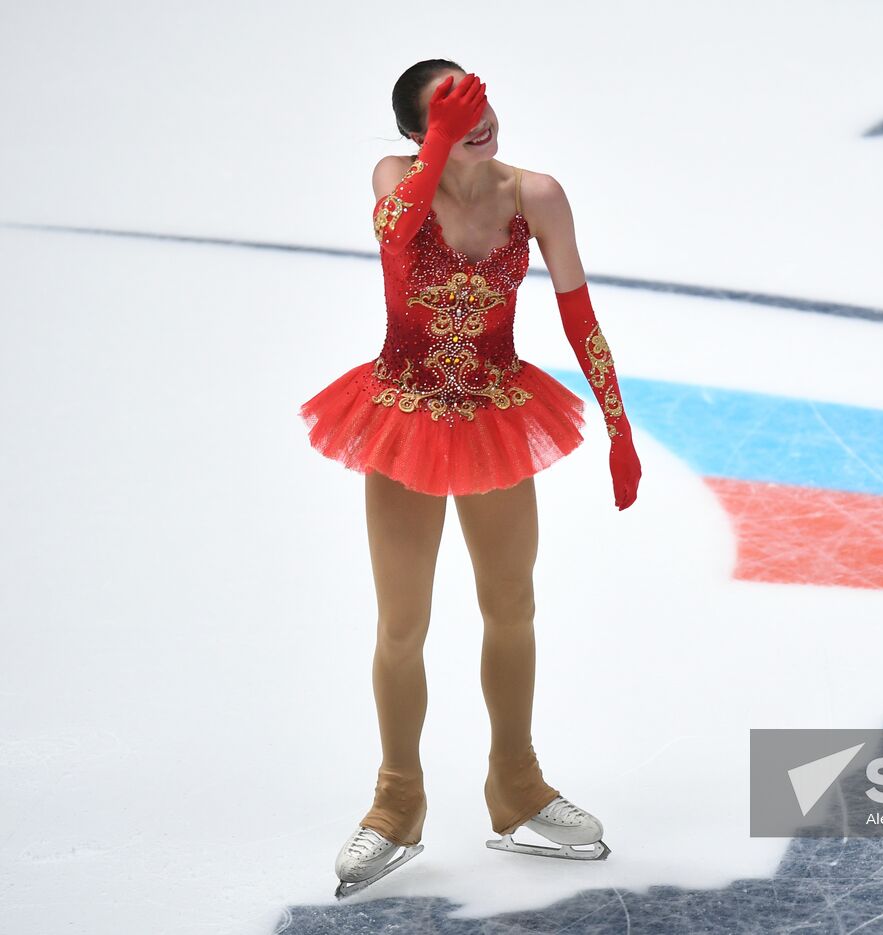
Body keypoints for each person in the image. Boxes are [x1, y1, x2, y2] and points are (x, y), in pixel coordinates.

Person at [297, 59, 641, 899]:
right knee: (402, 623)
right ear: (418, 133)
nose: (480, 121)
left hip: (492, 410)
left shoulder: (537, 195)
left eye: (481, 104)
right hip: (404, 414)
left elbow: (577, 309)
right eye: (452, 114)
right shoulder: (394, 179)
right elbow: (391, 227)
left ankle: (517, 786)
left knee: (512, 603)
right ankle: (396, 802)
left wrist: (618, 423)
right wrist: (439, 147)